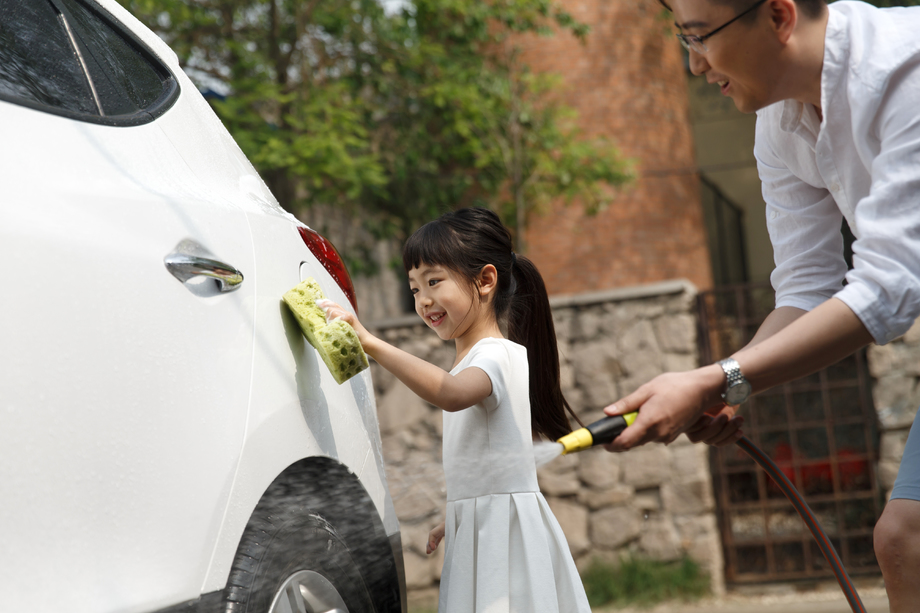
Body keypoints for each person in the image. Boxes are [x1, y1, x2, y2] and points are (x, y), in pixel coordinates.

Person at [601, 0, 920, 609]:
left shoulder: (907, 71)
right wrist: (723, 386)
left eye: (699, 38)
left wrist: (714, 379)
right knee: (906, 543)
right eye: (682, 39)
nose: (694, 66)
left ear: (778, 16)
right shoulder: (778, 119)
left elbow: (890, 289)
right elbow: (806, 287)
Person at [320, 207, 590, 613]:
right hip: (480, 525)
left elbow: (450, 393)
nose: (424, 300)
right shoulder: (474, 360)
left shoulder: (497, 355)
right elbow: (484, 461)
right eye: (413, 289)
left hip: (504, 534)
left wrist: (370, 342)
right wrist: (456, 512)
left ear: (484, 281)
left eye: (433, 281)